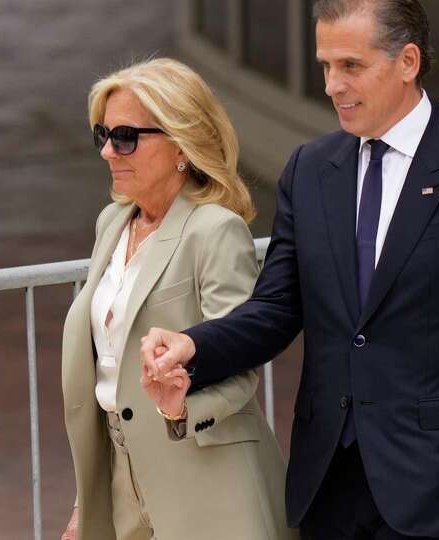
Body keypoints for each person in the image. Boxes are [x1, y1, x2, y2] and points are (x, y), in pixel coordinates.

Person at [139, 1, 439, 538]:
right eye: (326, 66)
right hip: (328, 484)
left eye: (351, 66)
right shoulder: (310, 169)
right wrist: (194, 347)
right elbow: (275, 309)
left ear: (407, 62)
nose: (333, 85)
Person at [60, 58, 295, 540]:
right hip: (125, 483)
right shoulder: (112, 223)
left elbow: (241, 364)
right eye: (102, 134)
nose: (107, 151)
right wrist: (88, 501)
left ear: (180, 145)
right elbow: (110, 372)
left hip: (210, 480)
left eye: (125, 136)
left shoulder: (215, 231)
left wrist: (180, 407)